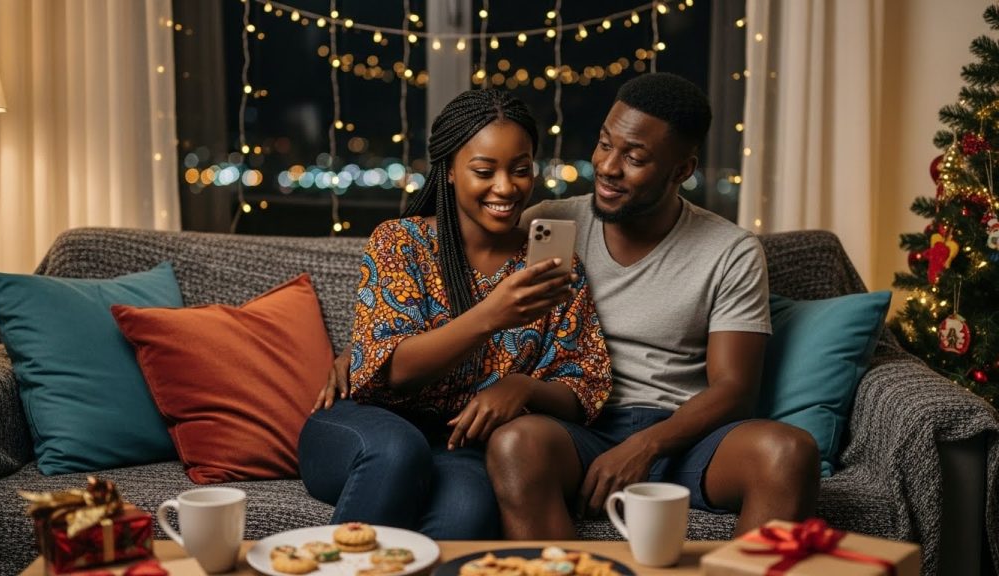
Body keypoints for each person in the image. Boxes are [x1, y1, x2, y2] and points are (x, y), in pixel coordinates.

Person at [482, 72, 821, 539]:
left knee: (789, 452)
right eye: (605, 145)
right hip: (578, 429)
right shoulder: (551, 224)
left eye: (635, 157)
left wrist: (646, 445)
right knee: (514, 443)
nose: (608, 166)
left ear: (682, 170)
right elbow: (461, 296)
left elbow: (734, 388)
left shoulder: (730, 251)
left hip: (688, 436)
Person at [298, 88, 612, 540]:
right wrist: (492, 313)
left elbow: (586, 385)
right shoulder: (399, 243)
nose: (506, 187)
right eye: (485, 171)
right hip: (365, 430)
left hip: (457, 446)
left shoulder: (549, 269)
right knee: (399, 451)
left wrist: (521, 387)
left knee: (469, 507)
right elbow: (392, 370)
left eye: (520, 170)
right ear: (447, 171)